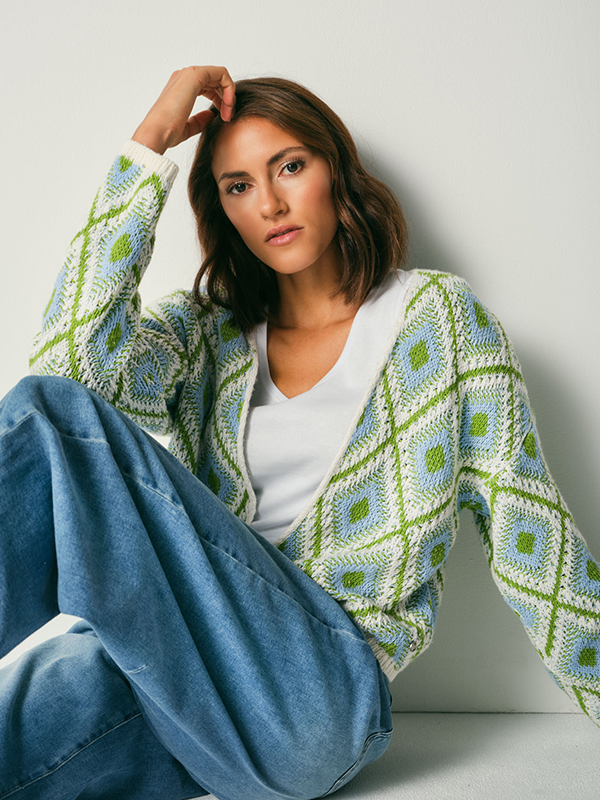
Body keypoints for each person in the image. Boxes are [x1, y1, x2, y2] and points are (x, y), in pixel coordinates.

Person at [0, 64, 599, 800]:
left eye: (290, 166)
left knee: (52, 416)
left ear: (335, 170)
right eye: (238, 185)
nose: (271, 203)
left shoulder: (440, 323)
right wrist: (150, 145)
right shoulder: (203, 333)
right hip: (184, 679)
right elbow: (69, 368)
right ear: (221, 209)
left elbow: (532, 537)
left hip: (319, 697)